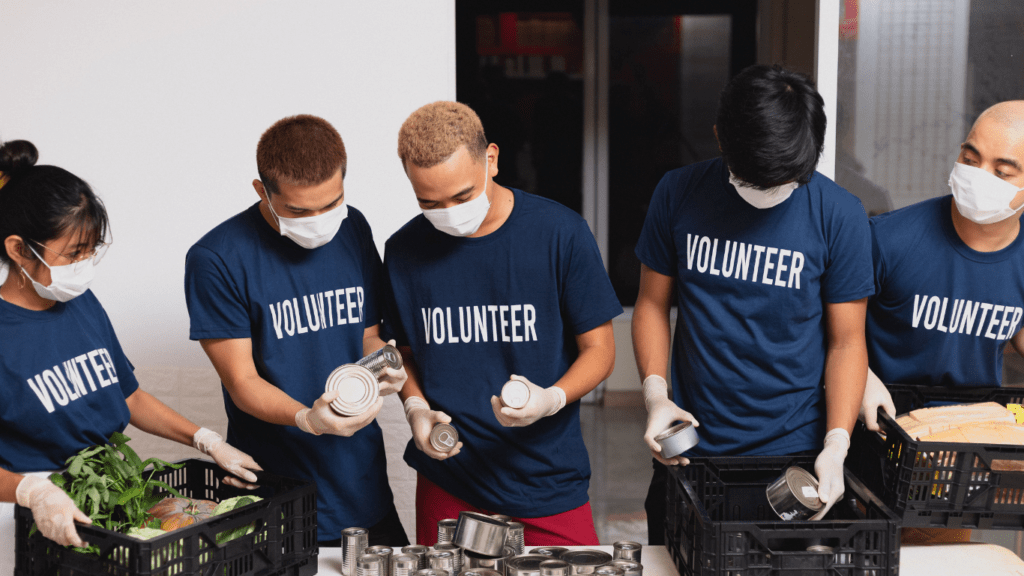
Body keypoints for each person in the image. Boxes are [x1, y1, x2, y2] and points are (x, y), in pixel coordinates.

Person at [631, 64, 874, 543]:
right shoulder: (678, 192)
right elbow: (651, 305)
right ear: (721, 137)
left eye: (785, 182)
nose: (770, 194)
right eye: (756, 180)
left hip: (793, 454)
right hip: (691, 446)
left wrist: (836, 443)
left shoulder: (840, 215)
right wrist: (656, 396)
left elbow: (847, 342)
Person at [0, 140, 259, 571]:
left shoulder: (81, 303)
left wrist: (207, 440)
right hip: (38, 525)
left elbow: (128, 397)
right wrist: (33, 491)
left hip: (108, 508)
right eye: (72, 254)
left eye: (91, 250)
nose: (85, 266)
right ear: (18, 249)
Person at [382, 101, 621, 545]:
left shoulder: (559, 233)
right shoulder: (403, 251)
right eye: (429, 202)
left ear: (491, 159)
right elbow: (405, 356)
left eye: (462, 195)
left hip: (547, 477)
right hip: (449, 480)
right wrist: (415, 408)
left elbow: (600, 350)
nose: (449, 213)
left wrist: (552, 399)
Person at [184, 115, 409, 547]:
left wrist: (386, 365)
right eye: (299, 211)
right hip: (278, 500)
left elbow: (366, 336)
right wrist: (307, 419)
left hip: (362, 487)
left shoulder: (353, 227)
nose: (321, 220)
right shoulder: (217, 258)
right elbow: (242, 381)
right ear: (261, 191)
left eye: (332, 203)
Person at [858, 101, 1024, 545]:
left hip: (961, 466)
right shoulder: (889, 239)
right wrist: (861, 377)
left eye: (1002, 171)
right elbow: (828, 333)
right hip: (875, 439)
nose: (978, 175)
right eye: (970, 158)